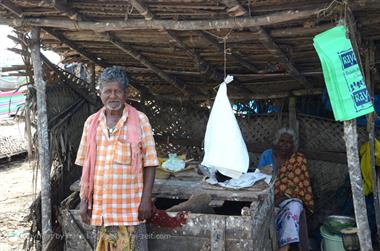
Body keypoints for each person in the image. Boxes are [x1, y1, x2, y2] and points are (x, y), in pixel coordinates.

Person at [75, 66, 159, 251]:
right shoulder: (91, 123)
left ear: (125, 93)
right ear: (100, 93)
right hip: (102, 210)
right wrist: (84, 201)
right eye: (107, 91)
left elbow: (151, 163)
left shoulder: (140, 120)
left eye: (117, 91)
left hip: (130, 209)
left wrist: (146, 200)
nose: (112, 96)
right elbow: (85, 165)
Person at [257, 128, 314, 251]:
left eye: (288, 142)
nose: (284, 145)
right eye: (281, 141)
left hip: (288, 198)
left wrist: (283, 196)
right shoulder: (267, 155)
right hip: (268, 196)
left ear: (293, 145)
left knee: (295, 206)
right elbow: (259, 179)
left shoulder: (298, 159)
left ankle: (284, 247)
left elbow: (298, 185)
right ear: (276, 142)